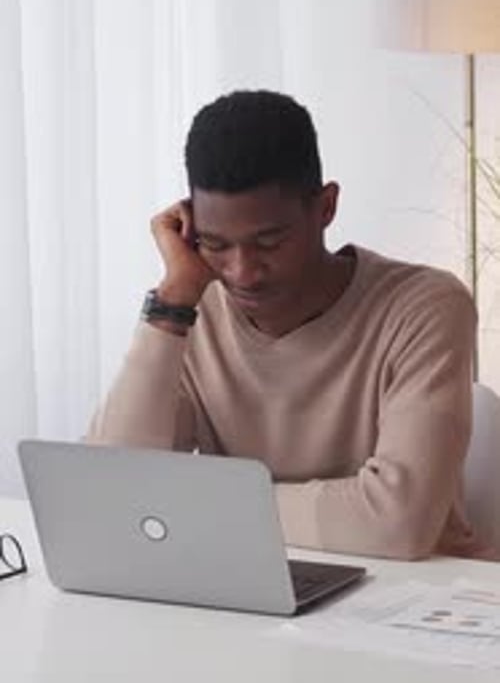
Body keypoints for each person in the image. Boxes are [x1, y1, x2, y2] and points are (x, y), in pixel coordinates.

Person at [87, 89, 486, 560]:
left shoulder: (423, 307)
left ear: (326, 208)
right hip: (250, 585)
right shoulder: (192, 310)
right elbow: (112, 489)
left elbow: (397, 524)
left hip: (416, 604)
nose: (242, 271)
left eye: (269, 241)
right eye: (216, 244)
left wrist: (198, 503)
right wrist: (172, 303)